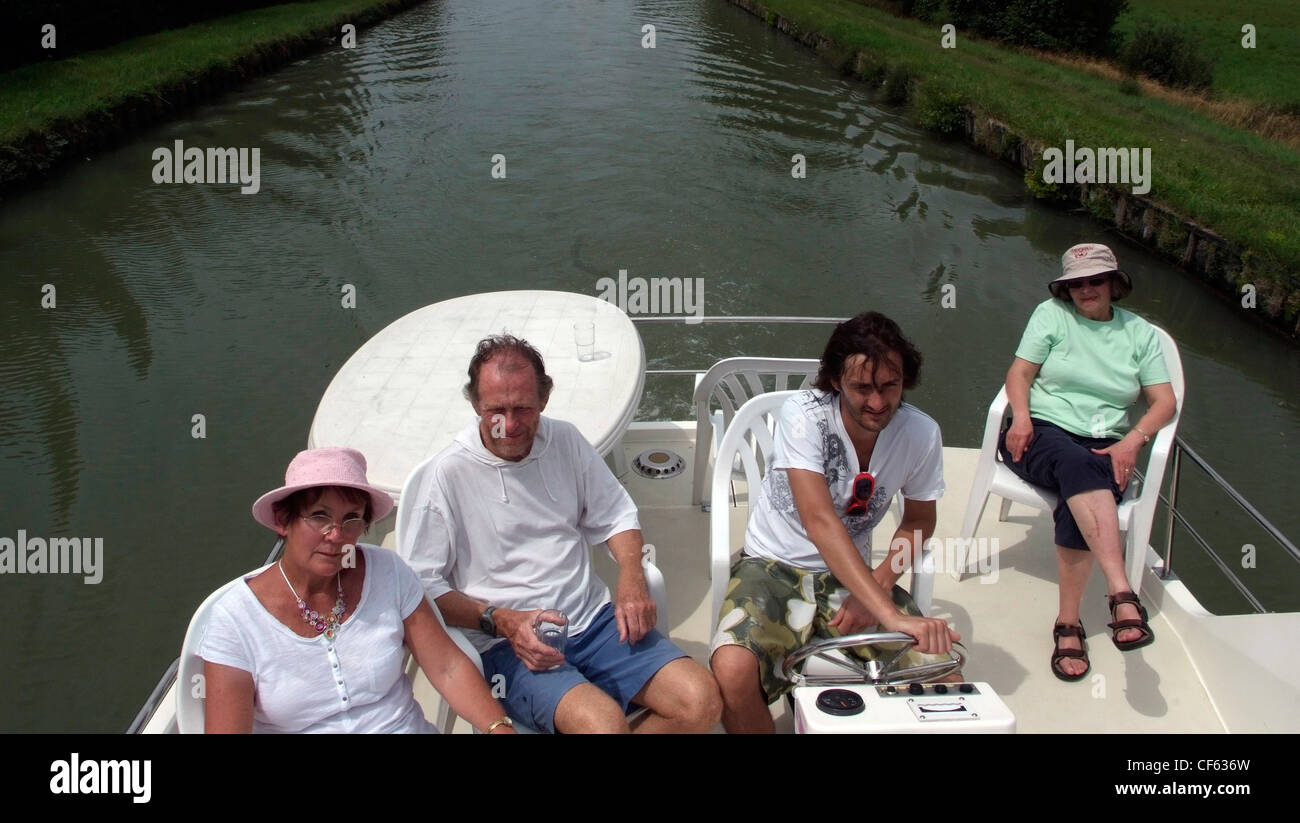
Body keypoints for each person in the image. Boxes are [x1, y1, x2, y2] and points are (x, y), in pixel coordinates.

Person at [396, 335, 722, 734]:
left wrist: (633, 579)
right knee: (603, 725)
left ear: (544, 400)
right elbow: (421, 586)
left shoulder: (565, 440)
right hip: (509, 645)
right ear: (475, 405)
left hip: (596, 621)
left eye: (523, 409)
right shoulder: (446, 475)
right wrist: (502, 621)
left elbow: (616, 515)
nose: (510, 425)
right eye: (496, 411)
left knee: (701, 701)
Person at [710, 312, 961, 734]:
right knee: (732, 671)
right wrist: (891, 614)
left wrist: (877, 588)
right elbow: (819, 520)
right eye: (862, 387)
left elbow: (918, 521)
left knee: (944, 678)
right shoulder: (803, 414)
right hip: (772, 566)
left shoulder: (921, 434)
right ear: (834, 382)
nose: (878, 403)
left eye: (889, 386)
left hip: (855, 578)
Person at [199, 447, 516, 734]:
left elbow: (448, 667)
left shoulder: (387, 571)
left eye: (351, 519)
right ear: (284, 520)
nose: (336, 535)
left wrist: (498, 727)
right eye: (319, 516)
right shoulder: (234, 621)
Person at [1000, 243, 1176, 681]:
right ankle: (1120, 593)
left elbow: (1164, 401)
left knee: (1082, 477)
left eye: (1095, 280)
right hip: (1041, 432)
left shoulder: (1139, 333)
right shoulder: (1052, 315)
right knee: (1078, 467)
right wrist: (1020, 417)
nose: (1085, 289)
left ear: (1114, 284)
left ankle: (1068, 625)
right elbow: (1020, 372)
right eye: (1075, 283)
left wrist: (1134, 440)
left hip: (1105, 444)